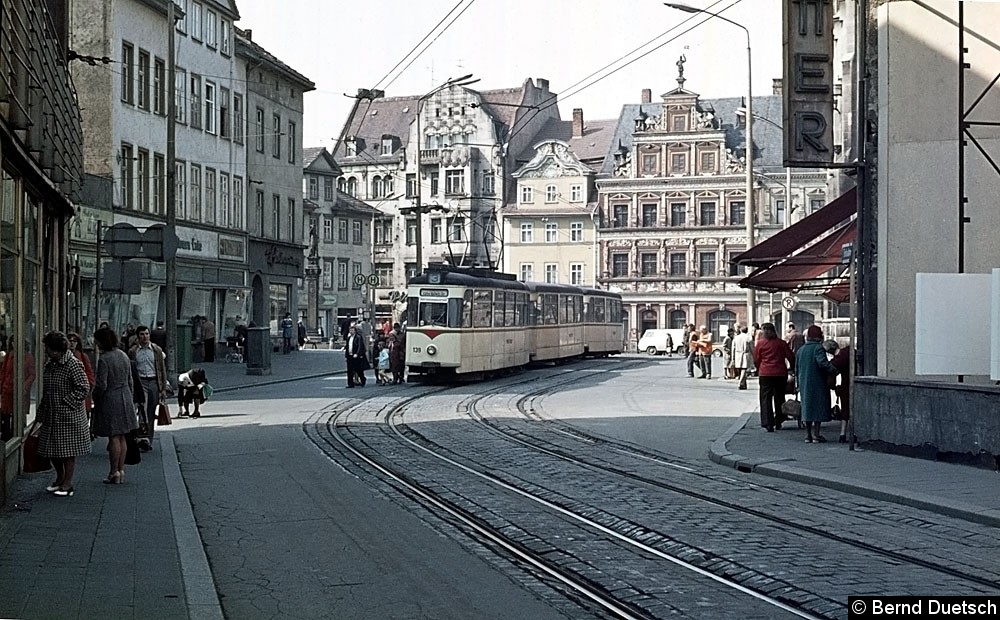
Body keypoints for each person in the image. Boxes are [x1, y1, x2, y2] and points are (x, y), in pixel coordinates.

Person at [35, 331, 91, 497]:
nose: (46, 351)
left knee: (67, 451)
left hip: (68, 416)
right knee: (51, 449)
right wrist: (41, 414)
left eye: (48, 348)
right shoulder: (50, 364)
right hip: (51, 414)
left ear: (55, 350)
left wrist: (66, 403)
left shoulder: (72, 364)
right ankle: (59, 477)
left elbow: (83, 387)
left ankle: (67, 482)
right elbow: (47, 391)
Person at [92, 327, 139, 484]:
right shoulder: (123, 355)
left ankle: (113, 471)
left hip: (111, 399)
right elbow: (130, 379)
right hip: (125, 396)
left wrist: (95, 397)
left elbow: (101, 385)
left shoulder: (104, 359)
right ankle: (121, 470)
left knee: (113, 437)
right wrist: (130, 397)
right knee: (122, 436)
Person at [795, 325, 840, 443]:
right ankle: (816, 434)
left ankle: (807, 435)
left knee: (807, 407)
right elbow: (823, 363)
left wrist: (798, 384)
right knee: (818, 407)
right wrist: (834, 370)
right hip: (817, 382)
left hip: (804, 382)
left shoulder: (801, 350)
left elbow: (796, 368)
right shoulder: (818, 348)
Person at [128, 325, 167, 451]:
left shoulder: (156, 350)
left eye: (146, 334)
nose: (145, 337)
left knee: (150, 412)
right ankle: (141, 439)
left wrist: (163, 388)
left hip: (154, 381)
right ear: (137, 336)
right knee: (141, 410)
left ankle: (148, 440)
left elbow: (161, 369)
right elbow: (130, 369)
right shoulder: (133, 351)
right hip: (140, 382)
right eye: (142, 334)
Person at [753, 322, 795, 432]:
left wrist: (759, 368)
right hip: (780, 373)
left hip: (765, 373)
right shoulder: (781, 343)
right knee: (779, 397)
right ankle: (779, 420)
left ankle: (768, 423)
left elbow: (756, 359)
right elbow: (790, 356)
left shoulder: (760, 344)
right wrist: (792, 368)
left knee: (765, 398)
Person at [1, 338, 36, 441]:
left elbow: (32, 374)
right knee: (6, 416)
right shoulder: (9, 356)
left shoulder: (28, 357)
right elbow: (3, 372)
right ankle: (6, 438)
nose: (14, 344)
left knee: (19, 416)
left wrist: (24, 386)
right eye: (12, 342)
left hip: (20, 391)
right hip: (7, 390)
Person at [67, 332, 95, 416]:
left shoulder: (82, 356)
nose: (72, 343)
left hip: (82, 390)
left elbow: (89, 373)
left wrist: (89, 386)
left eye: (74, 341)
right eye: (70, 340)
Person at [831, 343, 851, 443]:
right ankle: (853, 433)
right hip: (851, 383)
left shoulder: (840, 358)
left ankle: (842, 433)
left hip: (845, 384)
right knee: (852, 410)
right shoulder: (848, 352)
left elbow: (833, 366)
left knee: (845, 409)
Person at [731, 325, 754, 390]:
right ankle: (741, 383)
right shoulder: (748, 338)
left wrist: (733, 358)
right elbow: (752, 348)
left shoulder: (736, 338)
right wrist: (754, 355)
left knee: (740, 369)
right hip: (745, 354)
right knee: (744, 369)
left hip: (737, 354)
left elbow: (733, 349)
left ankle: (744, 384)